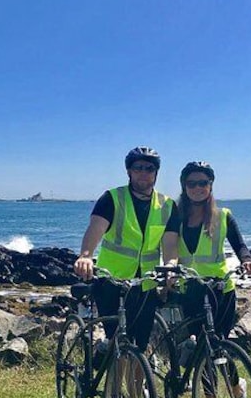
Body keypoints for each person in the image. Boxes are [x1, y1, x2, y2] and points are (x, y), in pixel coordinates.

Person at [73, 146, 180, 352]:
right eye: (137, 167)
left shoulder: (167, 205)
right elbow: (95, 229)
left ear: (156, 173)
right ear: (129, 171)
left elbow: (170, 245)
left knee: (140, 345)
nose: (143, 173)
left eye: (149, 168)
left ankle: (137, 386)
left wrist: (171, 266)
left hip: (145, 284)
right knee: (119, 344)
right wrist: (85, 256)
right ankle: (115, 383)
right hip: (111, 282)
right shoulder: (112, 198)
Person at [176, 160, 251, 398]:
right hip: (191, 290)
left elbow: (240, 245)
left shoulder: (223, 216)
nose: (197, 188)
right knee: (203, 348)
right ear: (184, 186)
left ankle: (237, 391)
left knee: (217, 346)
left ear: (210, 186)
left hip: (221, 291)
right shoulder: (175, 216)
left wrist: (246, 260)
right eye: (192, 183)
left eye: (203, 183)